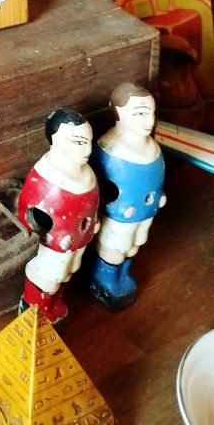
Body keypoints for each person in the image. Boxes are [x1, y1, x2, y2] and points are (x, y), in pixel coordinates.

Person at [17, 108, 99, 325]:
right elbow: (28, 212)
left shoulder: (88, 174)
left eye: (89, 141)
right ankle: (34, 305)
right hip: (54, 246)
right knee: (48, 277)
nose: (88, 149)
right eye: (79, 142)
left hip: (77, 242)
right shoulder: (46, 177)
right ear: (56, 140)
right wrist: (51, 235)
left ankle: (53, 304)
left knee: (67, 274)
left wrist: (93, 224)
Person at [88, 83, 166, 311]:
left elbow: (156, 178)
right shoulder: (109, 150)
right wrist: (113, 205)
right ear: (118, 113)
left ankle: (123, 274)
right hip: (119, 219)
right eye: (140, 113)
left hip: (145, 214)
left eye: (151, 112)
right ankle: (104, 278)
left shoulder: (152, 148)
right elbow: (96, 187)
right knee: (115, 247)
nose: (149, 120)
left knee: (134, 245)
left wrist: (160, 195)